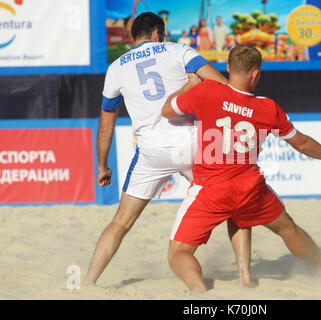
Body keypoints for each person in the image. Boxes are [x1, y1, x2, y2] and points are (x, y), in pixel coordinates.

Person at [161, 44, 321, 292]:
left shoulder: (207, 90)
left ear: (227, 68)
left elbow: (166, 111)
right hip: (250, 189)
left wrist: (189, 85)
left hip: (210, 190)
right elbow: (301, 142)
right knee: (287, 227)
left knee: (178, 253)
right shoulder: (267, 108)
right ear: (255, 74)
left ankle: (199, 290)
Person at [83, 12, 252, 287]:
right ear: (158, 34)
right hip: (195, 145)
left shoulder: (115, 69)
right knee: (235, 207)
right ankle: (244, 277)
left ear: (133, 37)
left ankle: (88, 284)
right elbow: (220, 85)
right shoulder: (179, 50)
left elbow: (105, 128)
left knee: (121, 222)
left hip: (152, 151)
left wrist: (102, 166)